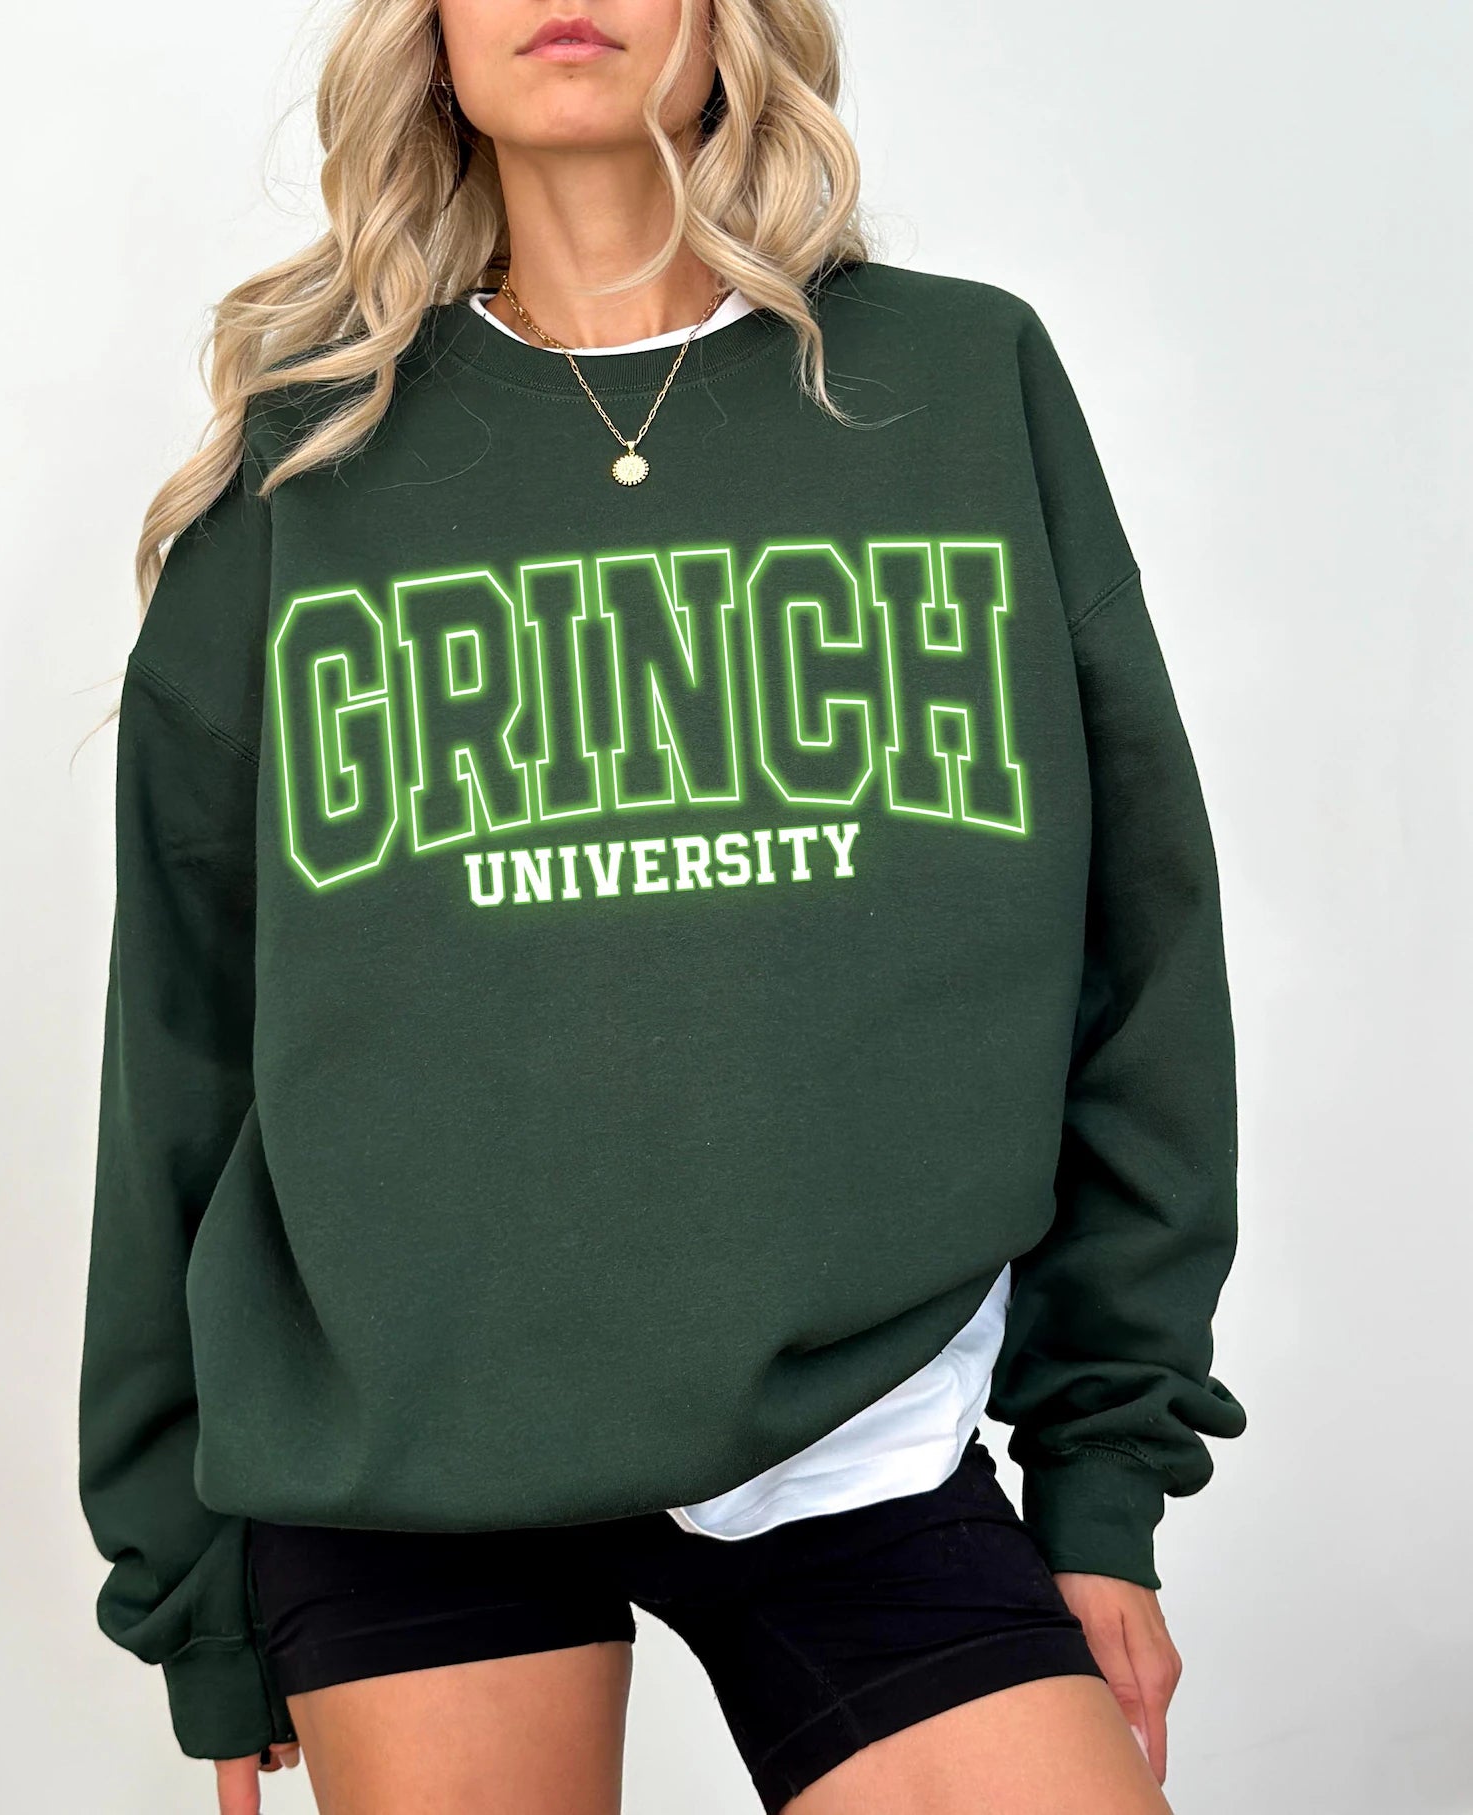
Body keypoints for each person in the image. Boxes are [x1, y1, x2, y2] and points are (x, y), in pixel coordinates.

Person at [75, 2, 1247, 1810]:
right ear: (430, 35)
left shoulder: (956, 382)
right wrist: (190, 1578)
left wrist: (1104, 1466)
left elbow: (1140, 945)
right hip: (399, 1446)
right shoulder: (304, 466)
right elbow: (180, 1034)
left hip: (857, 1431)